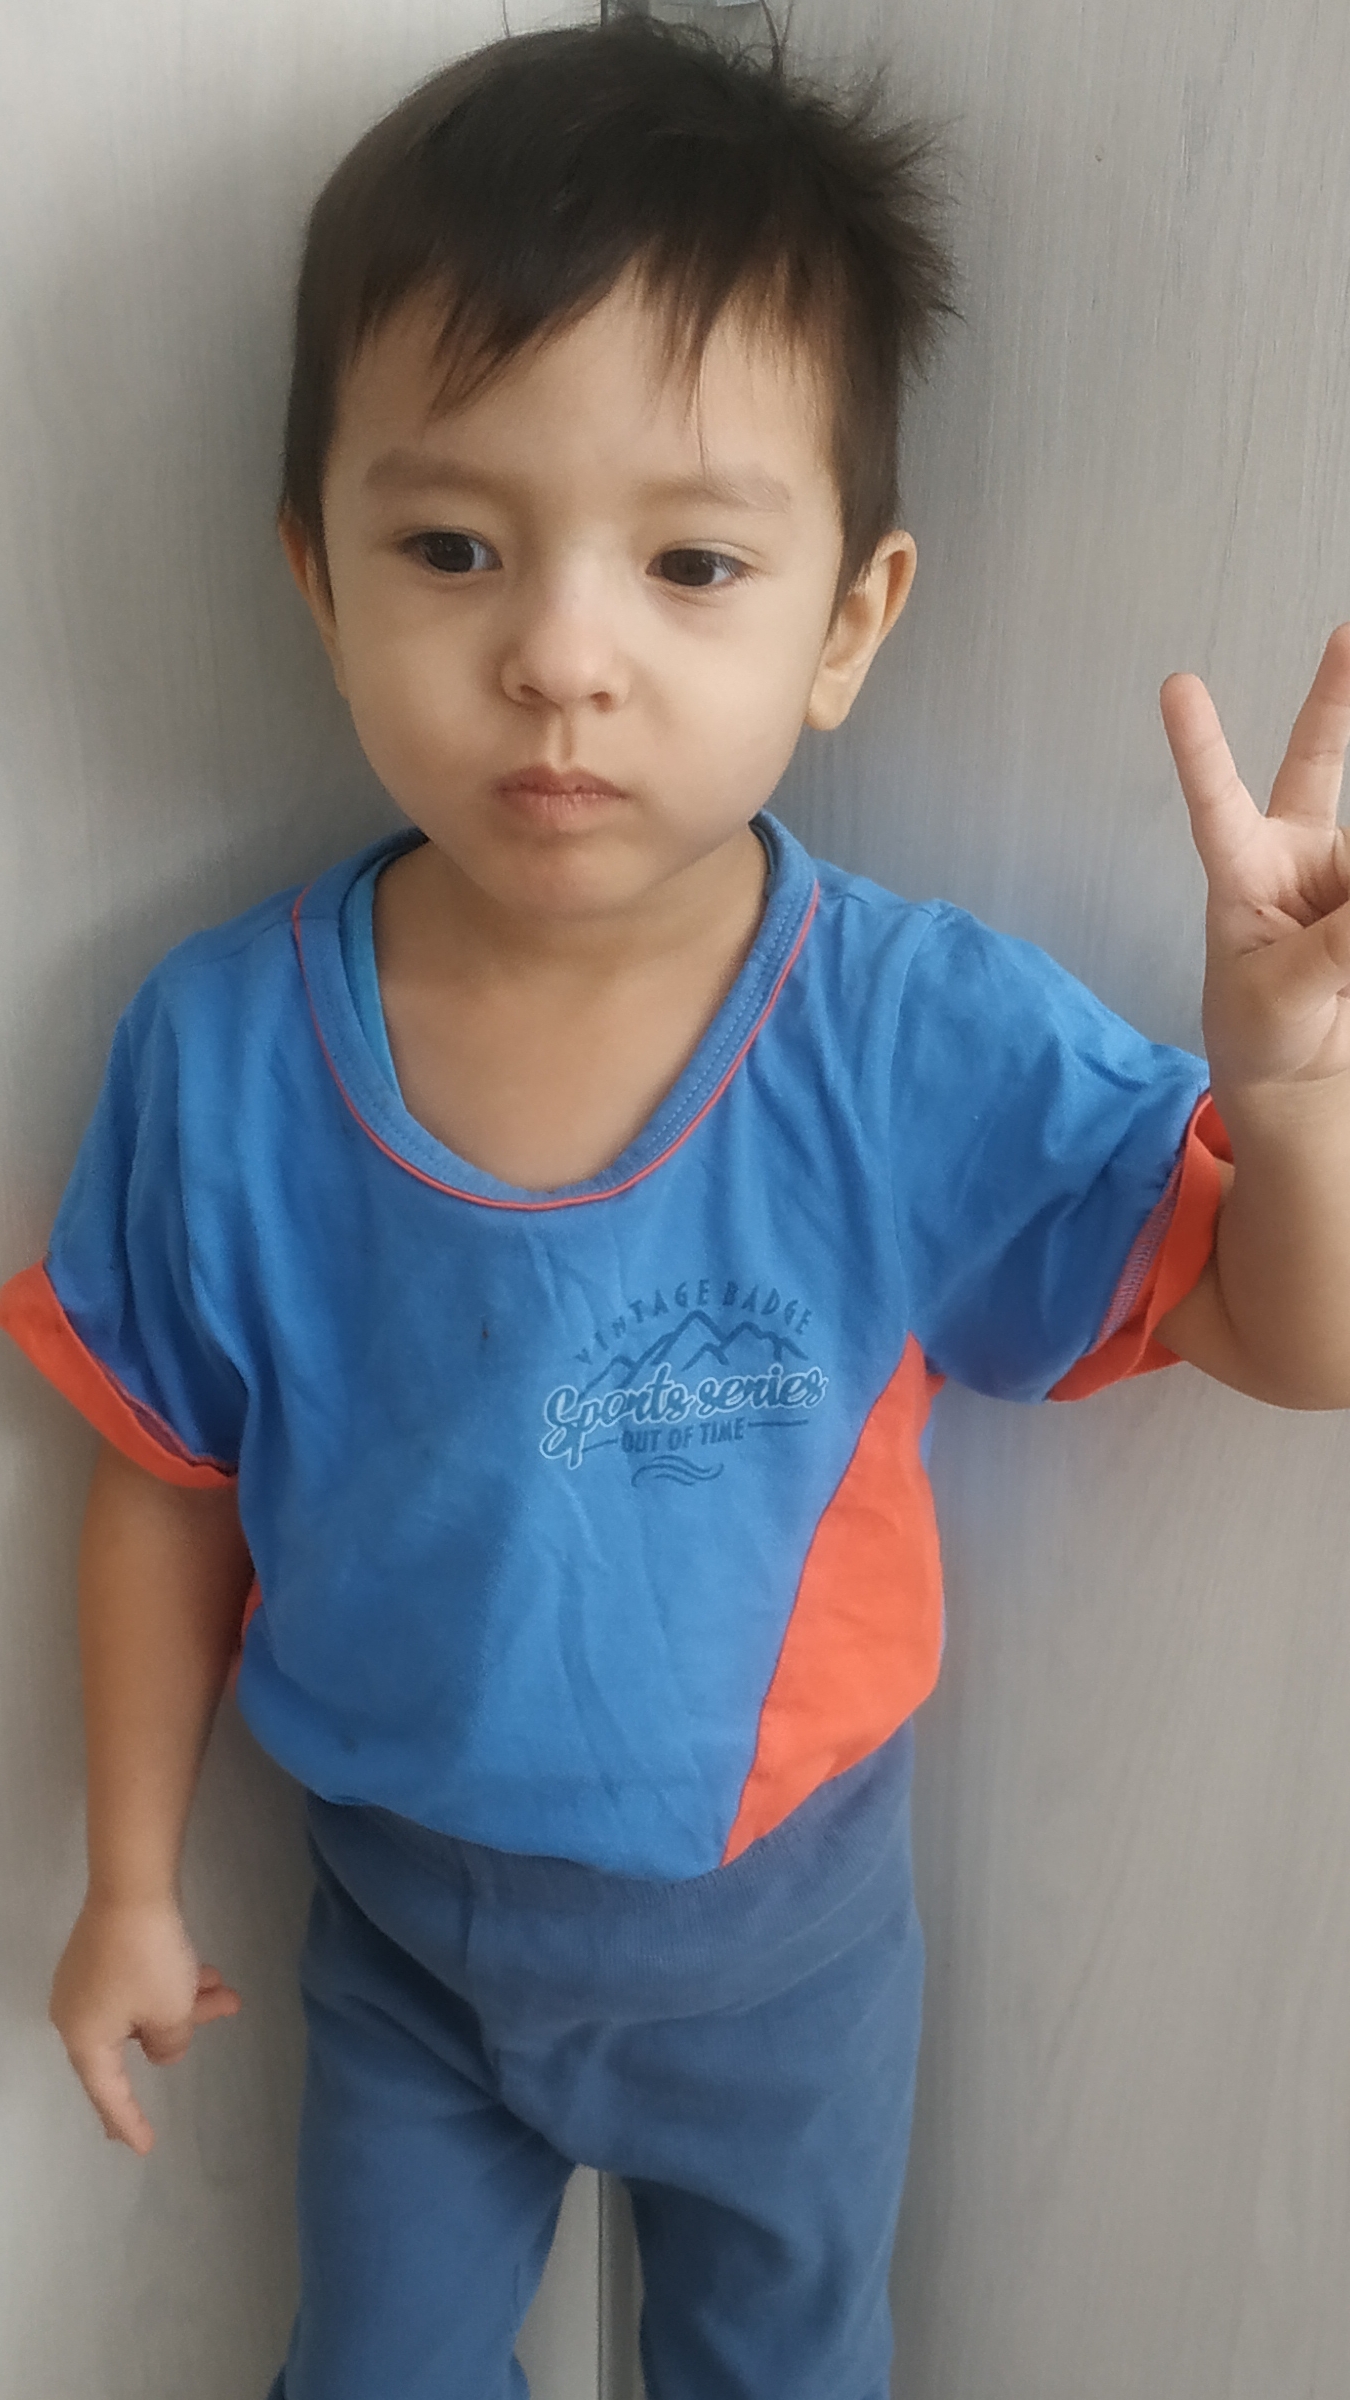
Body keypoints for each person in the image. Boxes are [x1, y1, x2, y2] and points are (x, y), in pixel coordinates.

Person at [3, 16, 1349, 2400]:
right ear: (317, 574)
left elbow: (1291, 1336)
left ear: (849, 621)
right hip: (398, 1941)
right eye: (452, 547)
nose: (559, 656)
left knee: (783, 2369)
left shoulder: (913, 1037)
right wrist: (124, 1879)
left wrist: (1294, 1093)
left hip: (785, 1955)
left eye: (693, 562)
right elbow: (163, 1481)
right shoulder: (219, 1055)